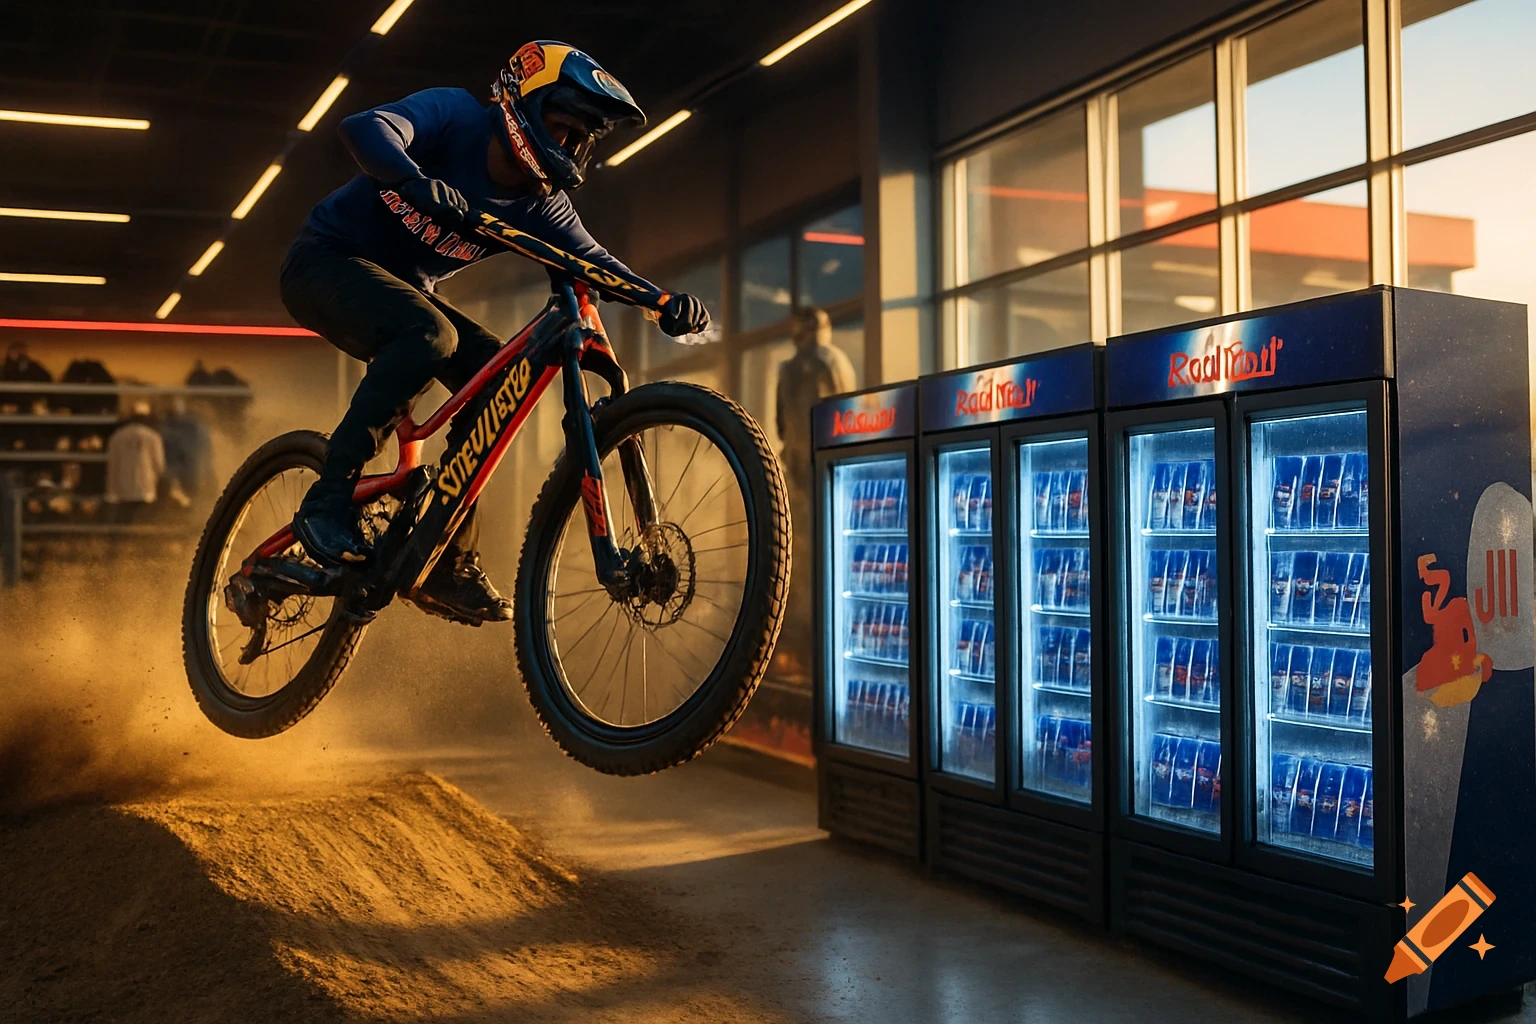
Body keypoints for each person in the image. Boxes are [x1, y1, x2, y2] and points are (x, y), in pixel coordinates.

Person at [281, 41, 710, 625]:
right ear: (524, 102)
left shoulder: (542, 204)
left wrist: (661, 301)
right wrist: (412, 179)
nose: (567, 146)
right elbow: (364, 127)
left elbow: (595, 262)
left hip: (406, 294)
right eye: (562, 127)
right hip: (324, 262)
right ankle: (327, 500)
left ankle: (447, 560)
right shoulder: (456, 115)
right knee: (432, 335)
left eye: (579, 139)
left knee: (496, 379)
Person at [773, 308, 856, 680]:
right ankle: (819, 650)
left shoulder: (794, 367)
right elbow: (846, 415)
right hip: (828, 469)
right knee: (825, 554)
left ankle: (805, 649)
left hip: (803, 470)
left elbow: (783, 423)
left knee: (802, 556)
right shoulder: (836, 361)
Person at [105, 400, 165, 525]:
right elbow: (159, 465)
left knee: (125, 520)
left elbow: (113, 465)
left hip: (123, 489)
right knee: (144, 522)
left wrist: (112, 492)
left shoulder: (117, 436)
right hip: (146, 488)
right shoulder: (153, 437)